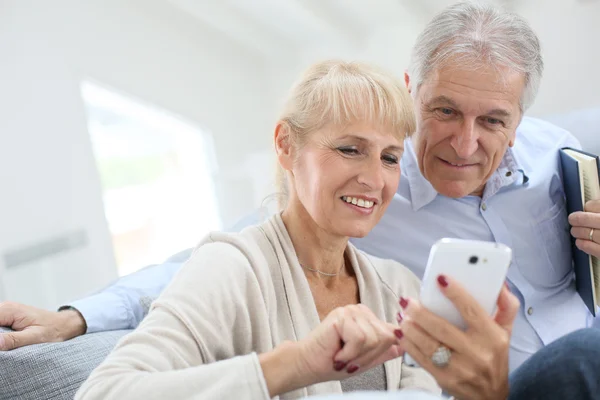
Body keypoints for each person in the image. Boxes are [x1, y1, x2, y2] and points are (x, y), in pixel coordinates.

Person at [2, 0, 600, 374]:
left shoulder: (562, 154)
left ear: (521, 117)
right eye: (444, 111)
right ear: (411, 89)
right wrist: (76, 317)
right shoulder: (368, 196)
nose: (465, 144)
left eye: (493, 121)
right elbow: (207, 259)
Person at [76, 60, 455, 399]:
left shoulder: (398, 287)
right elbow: (103, 392)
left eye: (389, 158)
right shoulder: (232, 267)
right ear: (286, 145)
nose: (375, 179)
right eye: (350, 149)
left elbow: (428, 380)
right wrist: (298, 364)